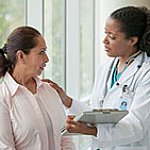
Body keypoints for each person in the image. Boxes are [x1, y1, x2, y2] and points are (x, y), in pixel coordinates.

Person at [45, 6, 150, 150]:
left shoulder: (146, 73)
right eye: (106, 33)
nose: (104, 41)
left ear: (132, 40)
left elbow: (137, 126)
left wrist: (90, 131)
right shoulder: (106, 67)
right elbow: (99, 112)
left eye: (112, 37)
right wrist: (67, 100)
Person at [0, 26, 75, 150]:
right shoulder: (3, 98)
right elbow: (5, 147)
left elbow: (65, 139)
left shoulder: (50, 91)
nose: (47, 59)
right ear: (21, 56)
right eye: (41, 52)